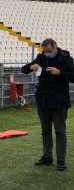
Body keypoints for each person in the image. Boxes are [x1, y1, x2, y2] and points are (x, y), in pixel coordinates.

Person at [22, 38, 74, 171]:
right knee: (45, 131)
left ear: (55, 47)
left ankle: (61, 161)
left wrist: (60, 73)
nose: (47, 53)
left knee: (60, 131)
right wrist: (30, 67)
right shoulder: (40, 57)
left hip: (60, 102)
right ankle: (47, 156)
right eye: (45, 51)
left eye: (49, 51)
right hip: (43, 101)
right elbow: (24, 70)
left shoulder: (66, 58)